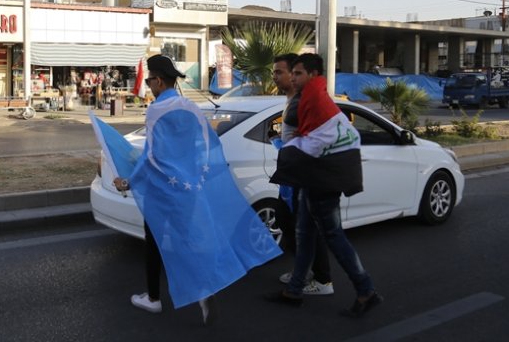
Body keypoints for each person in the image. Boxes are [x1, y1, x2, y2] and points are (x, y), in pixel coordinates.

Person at [112, 55, 281, 326]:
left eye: (148, 80)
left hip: (162, 190)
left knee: (155, 242)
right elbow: (207, 146)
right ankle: (204, 288)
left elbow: (152, 156)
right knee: (189, 239)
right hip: (189, 189)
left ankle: (153, 299)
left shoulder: (157, 109)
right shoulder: (191, 107)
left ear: (157, 80)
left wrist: (129, 181)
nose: (148, 85)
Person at [266, 53, 383, 318]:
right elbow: (311, 132)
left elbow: (319, 138)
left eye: (297, 73)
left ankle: (366, 290)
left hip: (323, 176)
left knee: (333, 235)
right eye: (291, 73)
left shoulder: (311, 100)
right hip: (314, 175)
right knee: (304, 233)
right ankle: (294, 290)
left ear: (312, 75)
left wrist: (297, 143)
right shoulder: (307, 98)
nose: (292, 78)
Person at [271, 53, 335, 296]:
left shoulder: (304, 102)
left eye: (281, 72)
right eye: (274, 72)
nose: (275, 77)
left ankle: (323, 279)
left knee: (310, 227)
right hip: (290, 173)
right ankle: (303, 270)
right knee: (288, 221)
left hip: (302, 175)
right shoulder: (292, 100)